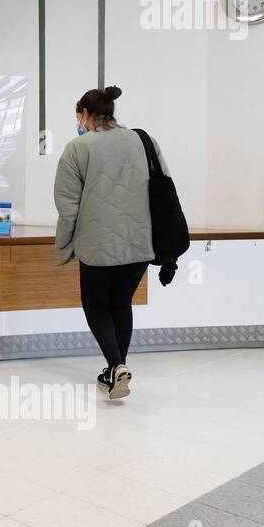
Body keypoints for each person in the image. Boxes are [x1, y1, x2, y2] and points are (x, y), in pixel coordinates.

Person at [54, 86, 168, 400]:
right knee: (120, 303)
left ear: (85, 115)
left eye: (78, 115)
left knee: (95, 304)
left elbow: (68, 207)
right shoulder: (144, 141)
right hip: (139, 243)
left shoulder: (77, 148)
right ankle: (117, 370)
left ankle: (116, 364)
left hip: (97, 244)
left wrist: (64, 247)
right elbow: (164, 190)